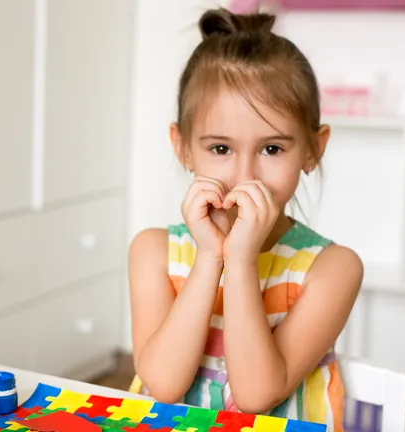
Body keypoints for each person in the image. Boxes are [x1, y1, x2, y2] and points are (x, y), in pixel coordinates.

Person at [127, 8, 363, 432]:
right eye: (221, 149)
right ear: (182, 147)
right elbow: (161, 384)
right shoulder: (153, 251)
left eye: (272, 149)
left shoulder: (333, 268)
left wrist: (239, 260)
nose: (245, 176)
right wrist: (208, 257)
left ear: (313, 149)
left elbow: (255, 396)